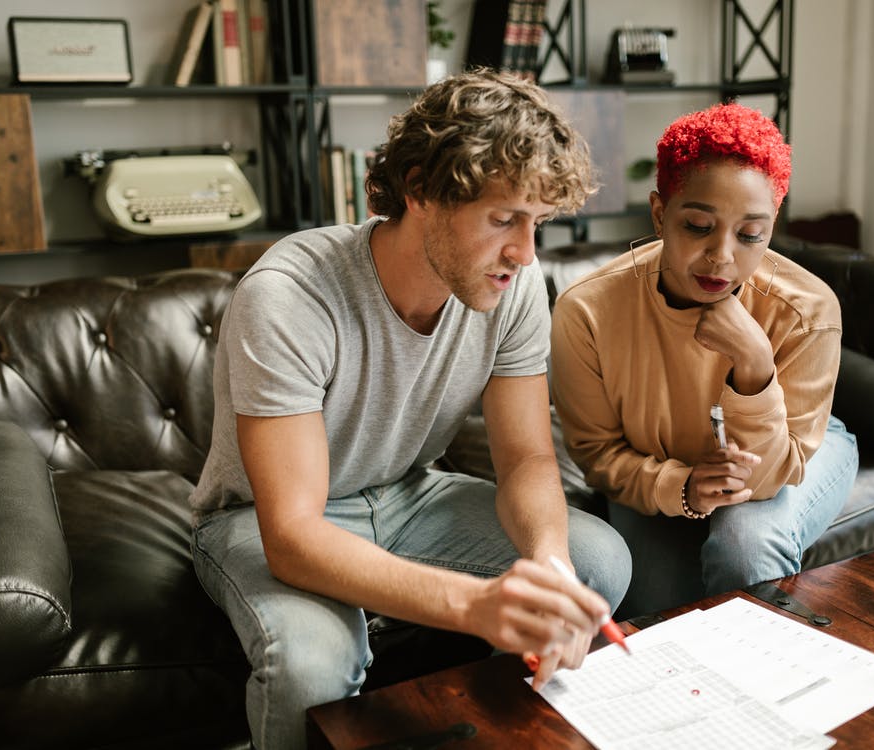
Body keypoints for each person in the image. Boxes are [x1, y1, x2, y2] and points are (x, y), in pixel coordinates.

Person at [189, 69, 632, 749]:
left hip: (408, 496)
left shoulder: (509, 285)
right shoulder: (288, 294)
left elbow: (525, 457)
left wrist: (547, 561)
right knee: (310, 663)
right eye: (502, 218)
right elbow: (293, 533)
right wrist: (476, 606)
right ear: (420, 188)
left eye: (536, 222)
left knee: (593, 560)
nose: (524, 251)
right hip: (262, 518)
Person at [549, 102, 858, 617]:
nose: (722, 256)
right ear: (658, 213)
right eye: (697, 225)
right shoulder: (587, 310)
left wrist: (756, 362)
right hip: (657, 467)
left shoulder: (808, 309)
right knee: (657, 614)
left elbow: (772, 476)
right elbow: (597, 455)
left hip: (800, 451)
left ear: (772, 226)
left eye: (750, 234)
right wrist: (682, 486)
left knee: (745, 543)